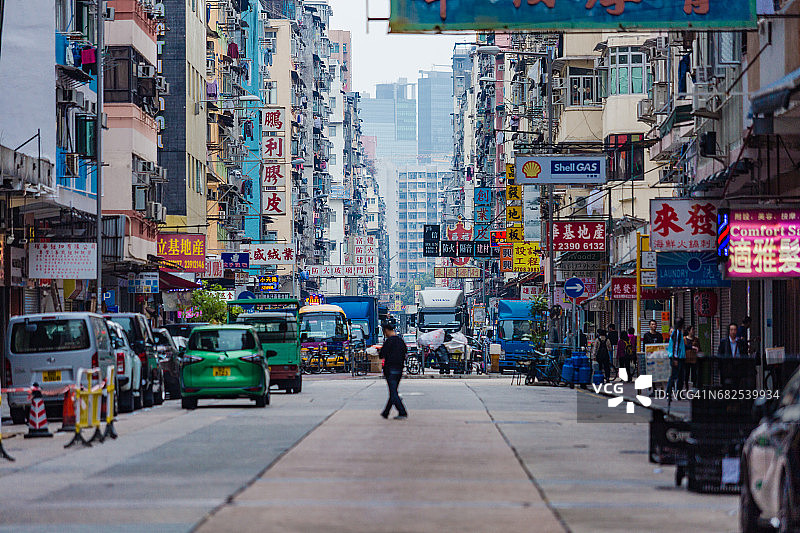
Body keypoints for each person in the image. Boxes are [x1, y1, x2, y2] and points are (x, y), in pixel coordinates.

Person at [379, 320, 408, 420]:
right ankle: (386, 412)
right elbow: (405, 352)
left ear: (386, 331)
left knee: (393, 392)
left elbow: (381, 355)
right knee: (393, 391)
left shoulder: (389, 342)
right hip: (399, 369)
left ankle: (402, 411)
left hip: (390, 369)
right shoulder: (401, 341)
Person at [666, 318, 686, 398]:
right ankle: (668, 393)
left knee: (680, 377)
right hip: (676, 358)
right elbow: (675, 347)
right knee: (674, 376)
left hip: (679, 358)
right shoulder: (676, 334)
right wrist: (675, 358)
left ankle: (678, 394)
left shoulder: (678, 332)